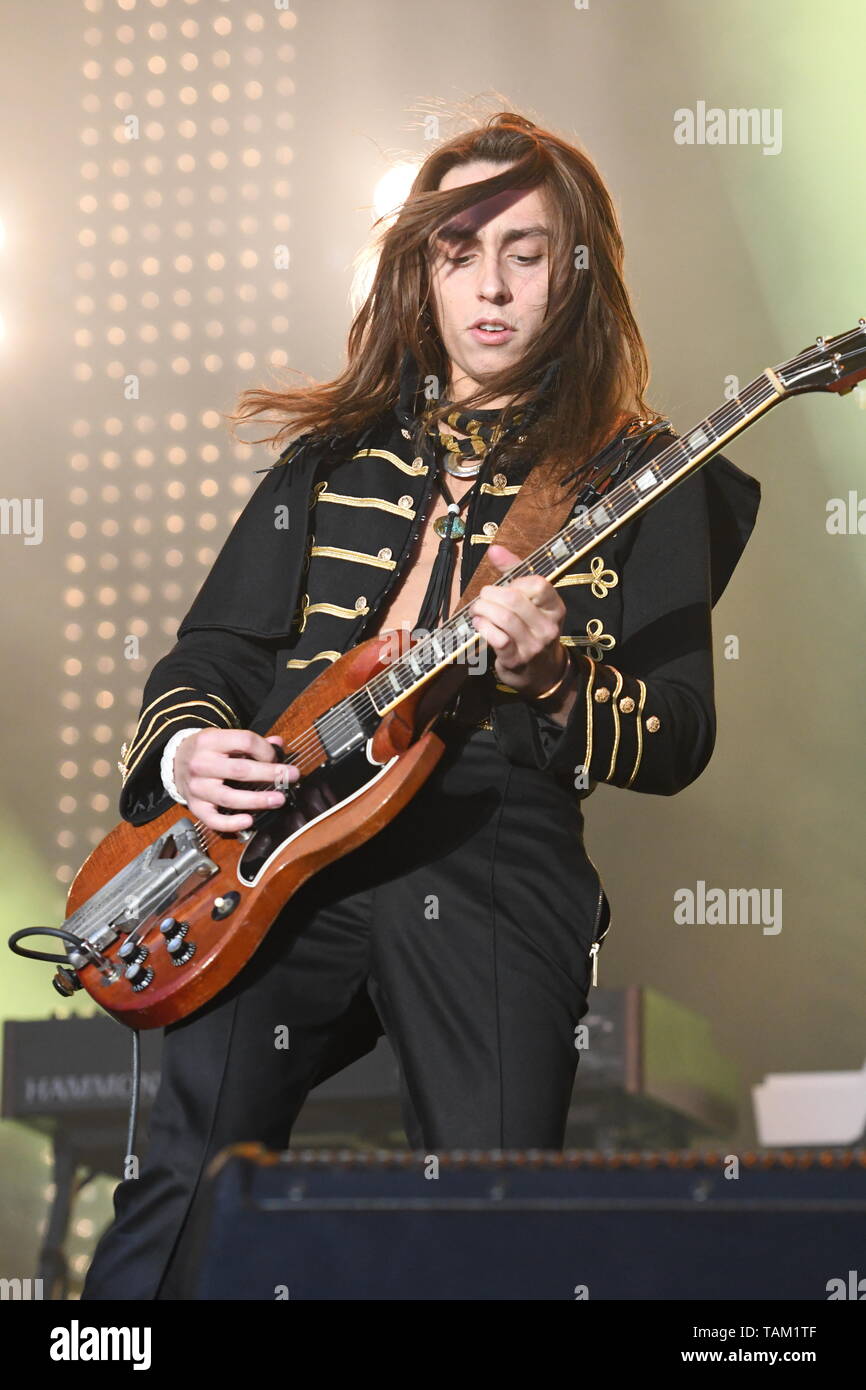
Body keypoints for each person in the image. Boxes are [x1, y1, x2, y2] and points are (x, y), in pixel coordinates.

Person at [81, 111, 760, 1300]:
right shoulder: (329, 461)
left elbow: (679, 732)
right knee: (179, 1174)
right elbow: (208, 654)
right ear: (419, 272)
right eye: (458, 253)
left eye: (526, 251)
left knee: (488, 1205)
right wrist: (189, 749)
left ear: (577, 269)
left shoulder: (638, 475)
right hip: (277, 845)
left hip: (488, 836)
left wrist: (551, 675)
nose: (490, 285)